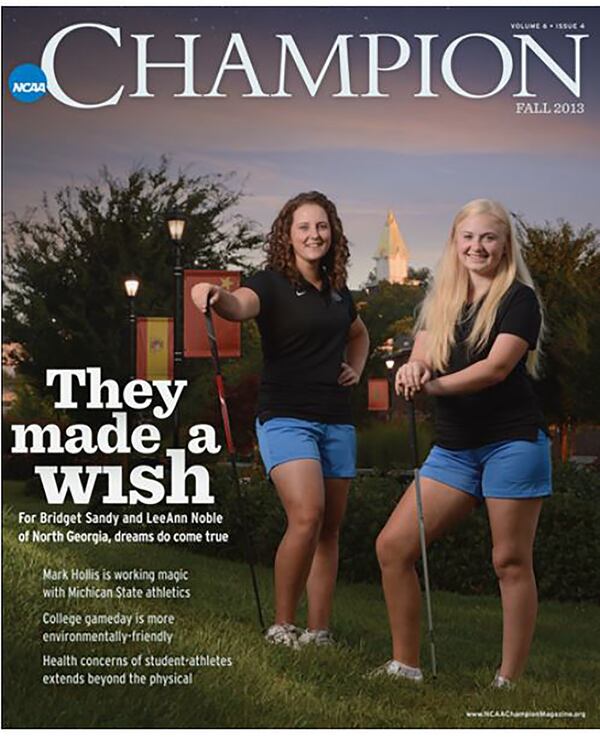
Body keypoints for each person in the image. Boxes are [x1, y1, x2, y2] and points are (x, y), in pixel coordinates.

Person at [374, 198, 551, 686]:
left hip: (511, 443)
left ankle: (508, 680)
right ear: (455, 242)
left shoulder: (519, 300)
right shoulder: (442, 299)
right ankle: (405, 665)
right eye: (468, 237)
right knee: (393, 547)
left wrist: (430, 388)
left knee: (509, 561)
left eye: (488, 238)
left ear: (504, 245)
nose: (477, 246)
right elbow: (425, 356)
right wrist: (412, 368)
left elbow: (495, 368)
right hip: (453, 449)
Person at [191, 191, 369, 648]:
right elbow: (240, 305)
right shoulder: (269, 284)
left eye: (322, 226)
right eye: (304, 227)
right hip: (286, 417)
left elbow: (359, 334)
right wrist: (214, 295)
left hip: (336, 419)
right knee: (307, 516)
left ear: (333, 234)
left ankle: (319, 631)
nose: (314, 234)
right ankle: (282, 625)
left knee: (328, 528)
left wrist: (357, 365)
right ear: (287, 236)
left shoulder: (339, 294)